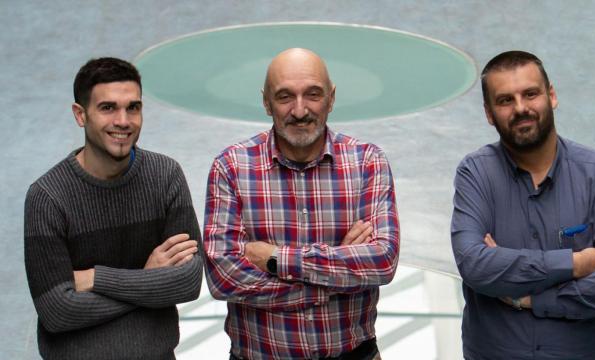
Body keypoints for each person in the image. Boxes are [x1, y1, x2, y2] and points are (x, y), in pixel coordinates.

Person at [204, 48, 399, 360]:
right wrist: (337, 279)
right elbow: (224, 278)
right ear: (266, 101)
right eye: (284, 97)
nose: (299, 110)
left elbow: (382, 261)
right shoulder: (231, 167)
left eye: (313, 94)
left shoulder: (367, 163)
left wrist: (276, 259)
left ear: (331, 98)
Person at [451, 50, 595, 360]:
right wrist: (575, 264)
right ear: (488, 113)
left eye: (530, 94)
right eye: (505, 100)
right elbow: (475, 265)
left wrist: (528, 299)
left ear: (551, 95)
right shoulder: (476, 173)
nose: (521, 108)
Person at [24, 57, 202, 359]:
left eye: (133, 107)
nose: (123, 121)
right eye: (108, 108)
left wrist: (96, 278)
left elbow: (188, 281)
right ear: (80, 115)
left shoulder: (165, 176)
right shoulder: (47, 197)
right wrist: (149, 280)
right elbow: (58, 311)